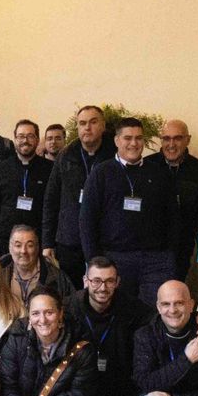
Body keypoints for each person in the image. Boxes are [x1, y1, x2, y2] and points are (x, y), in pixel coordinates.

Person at [81, 117, 176, 304]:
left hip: (154, 261)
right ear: (117, 141)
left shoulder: (159, 173)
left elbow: (173, 218)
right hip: (114, 259)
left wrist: (170, 255)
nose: (134, 143)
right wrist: (94, 263)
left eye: (139, 138)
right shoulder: (101, 173)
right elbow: (87, 220)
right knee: (119, 313)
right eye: (128, 138)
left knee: (152, 314)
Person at [66, 255, 151, 396]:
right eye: (96, 281)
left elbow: (165, 319)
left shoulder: (132, 307)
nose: (102, 287)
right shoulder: (68, 307)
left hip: (118, 390)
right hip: (80, 391)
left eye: (109, 281)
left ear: (117, 282)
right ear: (85, 281)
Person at [44, 105, 115, 286]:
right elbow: (51, 201)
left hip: (104, 239)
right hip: (69, 240)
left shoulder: (114, 154)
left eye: (93, 122)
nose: (87, 128)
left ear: (103, 125)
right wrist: (47, 243)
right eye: (82, 123)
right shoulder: (65, 155)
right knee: (71, 292)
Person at [146, 119, 198, 280]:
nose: (171, 144)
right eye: (166, 138)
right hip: (150, 249)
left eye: (177, 138)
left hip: (182, 249)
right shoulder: (147, 166)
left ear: (188, 140)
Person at [0, 119, 53, 253]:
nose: (25, 140)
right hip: (5, 240)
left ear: (38, 140)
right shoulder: (2, 168)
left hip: (38, 240)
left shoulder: (49, 169)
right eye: (21, 136)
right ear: (14, 139)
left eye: (30, 136)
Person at [2, 224, 73, 303]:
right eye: (18, 245)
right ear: (10, 248)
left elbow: (70, 309)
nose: (23, 251)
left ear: (37, 248)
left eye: (30, 245)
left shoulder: (57, 278)